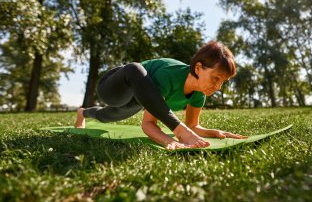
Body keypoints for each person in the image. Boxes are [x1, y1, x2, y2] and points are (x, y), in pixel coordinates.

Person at [75, 41, 247, 150]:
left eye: (223, 82)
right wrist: (169, 139)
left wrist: (213, 132)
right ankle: (178, 130)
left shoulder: (199, 94)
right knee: (135, 69)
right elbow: (148, 124)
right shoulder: (169, 76)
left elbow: (192, 126)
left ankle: (82, 113)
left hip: (137, 100)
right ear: (198, 68)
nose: (218, 87)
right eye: (216, 78)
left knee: (107, 116)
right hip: (114, 87)